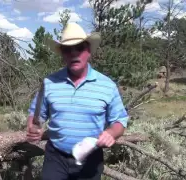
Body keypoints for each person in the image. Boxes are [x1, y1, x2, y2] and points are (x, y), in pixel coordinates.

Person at [26, 23, 129, 180]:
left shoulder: (106, 85)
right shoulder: (49, 83)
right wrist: (34, 127)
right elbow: (36, 114)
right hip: (56, 157)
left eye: (79, 47)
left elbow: (119, 121)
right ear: (62, 53)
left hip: (91, 159)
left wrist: (111, 133)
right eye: (67, 49)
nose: (74, 53)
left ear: (88, 51)